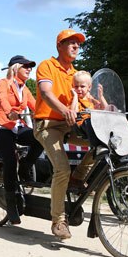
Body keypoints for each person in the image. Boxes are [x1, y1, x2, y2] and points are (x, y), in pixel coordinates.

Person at [34, 29, 85, 241]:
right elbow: (46, 92)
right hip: (47, 125)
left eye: (78, 44)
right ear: (59, 46)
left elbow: (85, 98)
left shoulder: (76, 75)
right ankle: (58, 221)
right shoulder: (47, 65)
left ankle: (78, 178)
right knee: (62, 168)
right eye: (70, 43)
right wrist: (64, 111)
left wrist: (103, 105)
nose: (75, 46)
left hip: (69, 125)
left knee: (101, 145)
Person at [0, 55, 43, 225]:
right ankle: (10, 204)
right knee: (10, 160)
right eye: (25, 66)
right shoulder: (3, 83)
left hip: (16, 126)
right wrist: (9, 110)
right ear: (15, 68)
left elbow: (37, 106)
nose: (29, 69)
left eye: (30, 67)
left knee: (41, 137)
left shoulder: (24, 89)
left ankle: (25, 166)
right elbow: (2, 98)